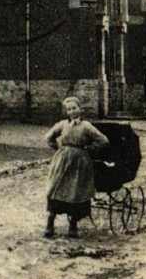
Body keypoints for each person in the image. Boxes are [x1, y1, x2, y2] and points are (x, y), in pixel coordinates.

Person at [44, 95, 108, 238]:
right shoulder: (62, 125)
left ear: (80, 109)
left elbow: (103, 141)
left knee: (75, 190)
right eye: (69, 109)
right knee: (55, 188)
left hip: (80, 162)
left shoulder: (86, 126)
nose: (72, 111)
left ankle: (73, 224)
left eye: (74, 108)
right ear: (66, 111)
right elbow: (48, 138)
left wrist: (89, 149)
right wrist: (59, 149)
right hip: (62, 161)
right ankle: (50, 223)